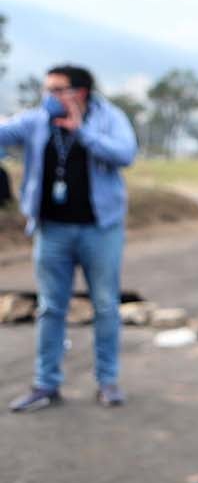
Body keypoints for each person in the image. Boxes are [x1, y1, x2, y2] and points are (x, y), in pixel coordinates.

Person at [0, 65, 137, 412]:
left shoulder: (110, 118)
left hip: (100, 229)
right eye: (47, 90)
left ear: (80, 92)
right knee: (50, 308)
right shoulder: (36, 121)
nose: (49, 97)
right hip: (51, 229)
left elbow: (125, 154)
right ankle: (46, 384)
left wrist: (84, 132)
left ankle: (107, 381)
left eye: (57, 90)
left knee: (105, 305)